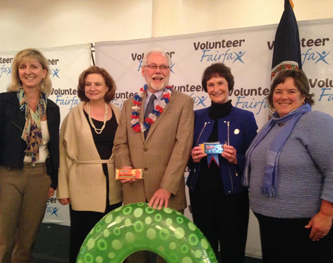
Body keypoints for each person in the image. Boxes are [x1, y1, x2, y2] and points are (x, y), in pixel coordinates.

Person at [243, 69, 333, 263]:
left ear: (303, 96)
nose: (284, 97)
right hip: (269, 221)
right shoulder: (272, 125)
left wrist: (327, 214)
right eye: (278, 91)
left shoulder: (316, 122)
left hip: (304, 225)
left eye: (291, 91)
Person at [113, 50, 194, 263]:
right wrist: (125, 167)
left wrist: (166, 187)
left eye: (164, 67)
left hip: (167, 195)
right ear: (143, 70)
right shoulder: (129, 104)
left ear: (169, 71)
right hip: (133, 192)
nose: (158, 71)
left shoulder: (184, 102)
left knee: (166, 253)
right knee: (134, 253)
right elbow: (120, 143)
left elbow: (182, 147)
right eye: (153, 66)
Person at [0, 48, 60, 263]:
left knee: (26, 242)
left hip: (39, 177)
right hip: (8, 176)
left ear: (43, 72)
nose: (28, 71)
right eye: (23, 67)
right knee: (2, 241)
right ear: (18, 72)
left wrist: (53, 179)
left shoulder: (52, 108)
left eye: (34, 67)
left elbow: (53, 148)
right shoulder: (3, 103)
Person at [186, 63, 257, 263]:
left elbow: (255, 157)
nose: (216, 88)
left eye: (220, 83)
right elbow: (182, 152)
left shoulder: (245, 118)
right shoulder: (195, 117)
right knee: (204, 245)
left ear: (229, 85)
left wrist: (237, 158)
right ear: (205, 88)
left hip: (233, 196)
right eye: (211, 84)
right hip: (201, 193)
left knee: (232, 247)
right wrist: (192, 157)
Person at [57, 66, 123, 263]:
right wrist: (63, 189)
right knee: (83, 238)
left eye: (97, 84)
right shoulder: (74, 115)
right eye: (88, 84)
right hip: (82, 187)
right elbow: (63, 155)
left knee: (111, 239)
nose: (92, 88)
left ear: (107, 87)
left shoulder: (119, 112)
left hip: (114, 188)